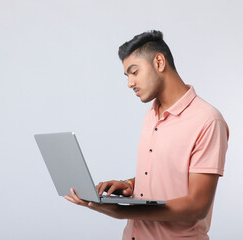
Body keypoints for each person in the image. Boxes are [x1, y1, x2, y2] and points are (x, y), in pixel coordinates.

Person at [64, 30, 229, 240]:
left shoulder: (208, 120)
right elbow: (166, 174)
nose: (130, 83)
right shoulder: (152, 114)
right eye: (127, 76)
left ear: (159, 62)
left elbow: (197, 206)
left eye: (134, 72)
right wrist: (131, 185)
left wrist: (122, 211)